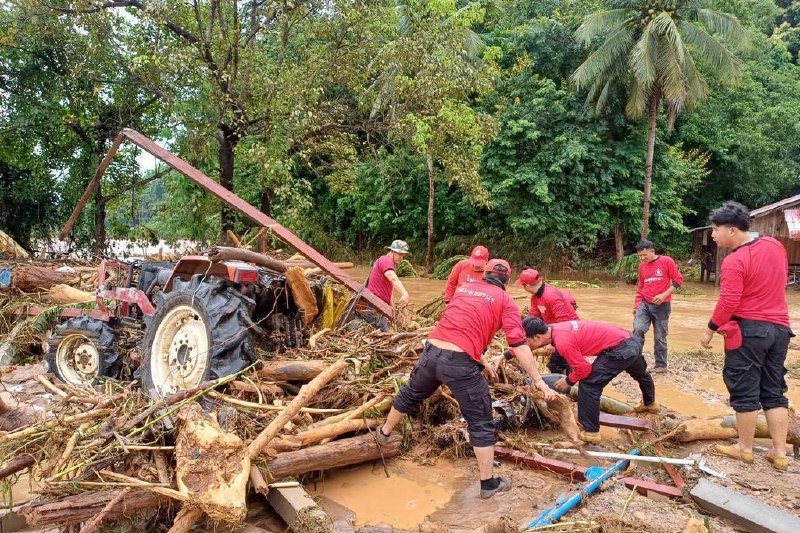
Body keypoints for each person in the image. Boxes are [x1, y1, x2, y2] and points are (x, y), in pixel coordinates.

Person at [376, 259, 557, 498]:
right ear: (508, 281)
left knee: (410, 393)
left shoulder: (464, 290)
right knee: (481, 421)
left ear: (485, 273)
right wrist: (540, 381)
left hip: (431, 352)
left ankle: (384, 433)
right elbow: (520, 346)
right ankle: (488, 485)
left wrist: (480, 358)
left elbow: (461, 327)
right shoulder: (506, 301)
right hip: (459, 364)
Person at [700, 201, 793, 471]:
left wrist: (709, 330)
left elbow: (729, 301)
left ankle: (745, 449)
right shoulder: (774, 246)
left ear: (732, 230)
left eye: (716, 230)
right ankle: (779, 453)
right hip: (780, 330)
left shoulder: (734, 261)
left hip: (749, 331)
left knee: (745, 389)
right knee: (774, 391)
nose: (713, 235)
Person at [522, 317, 657, 443]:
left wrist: (568, 381)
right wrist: (506, 355)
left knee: (589, 384)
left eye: (527, 341)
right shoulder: (553, 328)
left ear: (538, 336)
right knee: (641, 374)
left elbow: (584, 369)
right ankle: (650, 404)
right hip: (631, 340)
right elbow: (522, 346)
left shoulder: (563, 342)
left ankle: (591, 432)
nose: (527, 344)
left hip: (620, 349)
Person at [632, 240, 684, 373]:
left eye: (645, 255)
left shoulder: (666, 261)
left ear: (652, 251)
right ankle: (635, 362)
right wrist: (637, 305)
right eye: (640, 256)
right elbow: (641, 287)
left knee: (659, 336)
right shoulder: (642, 266)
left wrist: (664, 295)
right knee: (638, 330)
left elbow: (678, 280)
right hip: (644, 303)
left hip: (662, 305)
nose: (643, 258)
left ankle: (661, 365)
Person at [515, 268, 579, 374]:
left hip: (570, 332)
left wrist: (553, 344)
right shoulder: (535, 298)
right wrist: (522, 338)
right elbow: (533, 320)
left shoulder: (551, 296)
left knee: (556, 363)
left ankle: (567, 385)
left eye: (523, 285)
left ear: (527, 286)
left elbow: (564, 322)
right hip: (554, 331)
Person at [357, 239, 411, 332]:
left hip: (378, 306)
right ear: (392, 251)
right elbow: (393, 278)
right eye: (399, 254)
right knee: (384, 334)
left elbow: (389, 290)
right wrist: (404, 294)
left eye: (403, 255)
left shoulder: (385, 262)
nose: (401, 258)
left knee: (383, 331)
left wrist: (392, 308)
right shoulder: (386, 260)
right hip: (374, 306)